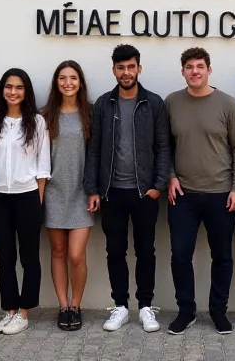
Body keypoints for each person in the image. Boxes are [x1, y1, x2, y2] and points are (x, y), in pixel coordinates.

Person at [85, 44, 170, 334]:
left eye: (131, 67)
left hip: (144, 192)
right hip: (112, 192)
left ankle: (145, 306)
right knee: (115, 250)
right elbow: (94, 148)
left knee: (146, 250)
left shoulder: (154, 103)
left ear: (139, 69)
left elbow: (163, 146)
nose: (126, 72)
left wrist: (158, 185)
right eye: (120, 68)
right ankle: (120, 306)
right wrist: (93, 188)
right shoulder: (103, 103)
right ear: (114, 71)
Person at [165, 47, 235, 335]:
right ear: (183, 71)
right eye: (189, 66)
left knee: (222, 256)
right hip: (183, 194)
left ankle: (218, 311)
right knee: (179, 255)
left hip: (221, 194)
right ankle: (186, 311)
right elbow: (165, 147)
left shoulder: (227, 104)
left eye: (200, 66)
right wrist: (171, 176)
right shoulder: (172, 103)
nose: (195, 71)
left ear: (209, 70)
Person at [0, 68, 51, 336]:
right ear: (2, 90)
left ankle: (24, 312)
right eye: (9, 86)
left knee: (29, 257)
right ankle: (9, 310)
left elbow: (42, 164)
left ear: (26, 92)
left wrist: (37, 199)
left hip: (27, 196)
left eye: (19, 87)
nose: (13, 92)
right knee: (4, 257)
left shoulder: (36, 121)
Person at [40, 61, 94, 331]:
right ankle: (64, 306)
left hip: (82, 193)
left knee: (76, 255)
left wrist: (94, 190)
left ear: (80, 82)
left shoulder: (91, 114)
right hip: (53, 192)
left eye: (73, 78)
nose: (68, 83)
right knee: (58, 251)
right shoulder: (45, 116)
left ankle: (77, 303)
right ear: (56, 82)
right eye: (62, 78)